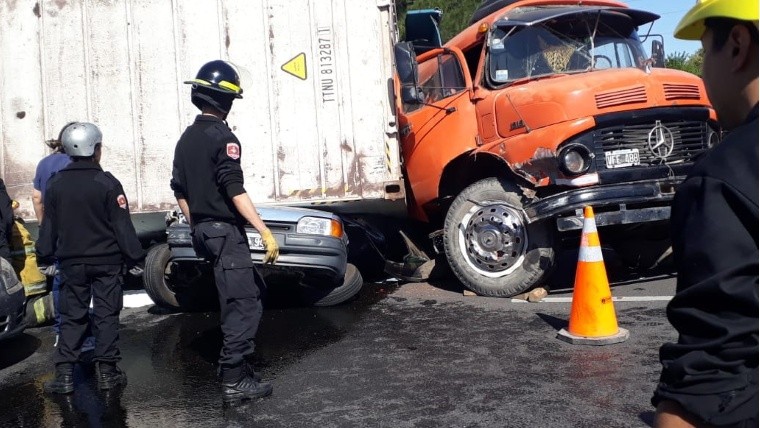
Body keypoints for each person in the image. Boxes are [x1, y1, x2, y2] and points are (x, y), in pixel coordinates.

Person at [652, 1, 758, 427]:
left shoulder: (725, 179)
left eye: (703, 53)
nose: (701, 73)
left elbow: (711, 384)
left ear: (736, 45)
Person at [170, 60, 279, 404]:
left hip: (203, 230)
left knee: (237, 295)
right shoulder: (224, 138)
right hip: (224, 232)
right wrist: (264, 230)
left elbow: (180, 191)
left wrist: (196, 225)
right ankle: (234, 379)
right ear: (226, 101)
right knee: (243, 304)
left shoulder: (185, 139)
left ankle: (238, 370)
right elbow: (233, 188)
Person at [36, 122, 145, 394]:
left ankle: (64, 376)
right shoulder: (107, 183)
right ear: (95, 149)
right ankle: (107, 373)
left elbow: (49, 226)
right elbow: (123, 226)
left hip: (72, 263)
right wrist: (135, 258)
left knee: (72, 316)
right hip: (107, 262)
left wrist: (44, 256)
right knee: (107, 315)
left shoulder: (56, 183)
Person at [33, 122, 95, 350]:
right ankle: (85, 334)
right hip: (81, 230)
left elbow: (36, 198)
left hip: (55, 230)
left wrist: (44, 225)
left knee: (60, 281)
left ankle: (61, 331)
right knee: (85, 281)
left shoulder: (45, 163)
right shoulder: (79, 161)